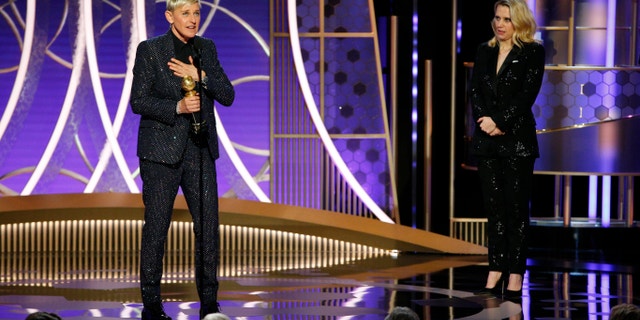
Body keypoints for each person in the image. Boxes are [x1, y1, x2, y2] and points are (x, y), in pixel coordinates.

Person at [130, 0, 235, 319]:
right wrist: (175, 108)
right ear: (170, 16)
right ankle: (151, 304)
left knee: (208, 228)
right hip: (160, 153)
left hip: (200, 151)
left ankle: (209, 302)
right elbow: (138, 101)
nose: (192, 19)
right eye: (185, 13)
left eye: (196, 13)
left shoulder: (207, 48)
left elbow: (227, 95)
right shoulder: (151, 49)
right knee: (157, 228)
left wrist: (199, 74)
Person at [469, 0, 545, 300]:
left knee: (515, 211)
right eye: (497, 18)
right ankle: (495, 269)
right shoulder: (484, 51)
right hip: (488, 140)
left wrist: (500, 121)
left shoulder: (533, 51)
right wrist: (487, 122)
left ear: (519, 23)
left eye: (507, 19)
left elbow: (528, 93)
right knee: (494, 210)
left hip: (517, 142)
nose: (500, 24)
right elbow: (475, 90)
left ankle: (515, 274)